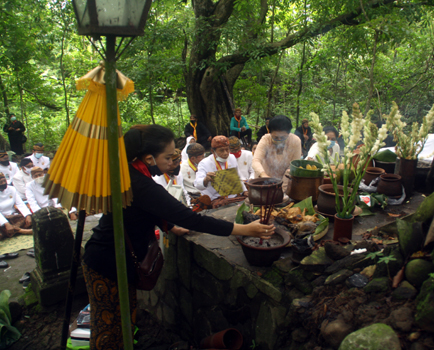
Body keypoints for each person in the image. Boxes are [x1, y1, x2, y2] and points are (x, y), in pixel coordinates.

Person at [82, 124, 274, 350]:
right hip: (106, 262)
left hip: (119, 259)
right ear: (149, 158)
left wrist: (169, 226)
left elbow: (143, 210)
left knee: (123, 319)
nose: (174, 161)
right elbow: (191, 219)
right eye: (168, 156)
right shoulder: (140, 184)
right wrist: (244, 229)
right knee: (107, 330)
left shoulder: (131, 172)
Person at [252, 115, 302, 193]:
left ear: (289, 133)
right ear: (269, 132)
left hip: (286, 181)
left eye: (282, 138)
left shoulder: (295, 141)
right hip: (264, 181)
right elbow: (256, 161)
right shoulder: (266, 139)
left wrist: (281, 189)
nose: (279, 140)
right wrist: (264, 176)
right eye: (275, 137)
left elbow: (292, 167)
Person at [195, 136, 247, 203]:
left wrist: (244, 191)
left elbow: (238, 177)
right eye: (221, 150)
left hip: (233, 197)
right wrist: (206, 180)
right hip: (215, 198)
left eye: (227, 150)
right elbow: (197, 184)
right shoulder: (204, 163)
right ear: (212, 151)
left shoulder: (232, 158)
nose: (225, 153)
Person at [0, 172, 32, 240]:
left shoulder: (11, 189)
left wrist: (27, 215)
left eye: (4, 181)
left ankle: (13, 231)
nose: (3, 183)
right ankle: (21, 230)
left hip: (13, 216)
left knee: (30, 219)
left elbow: (20, 203)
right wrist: (6, 223)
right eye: (0, 182)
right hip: (2, 219)